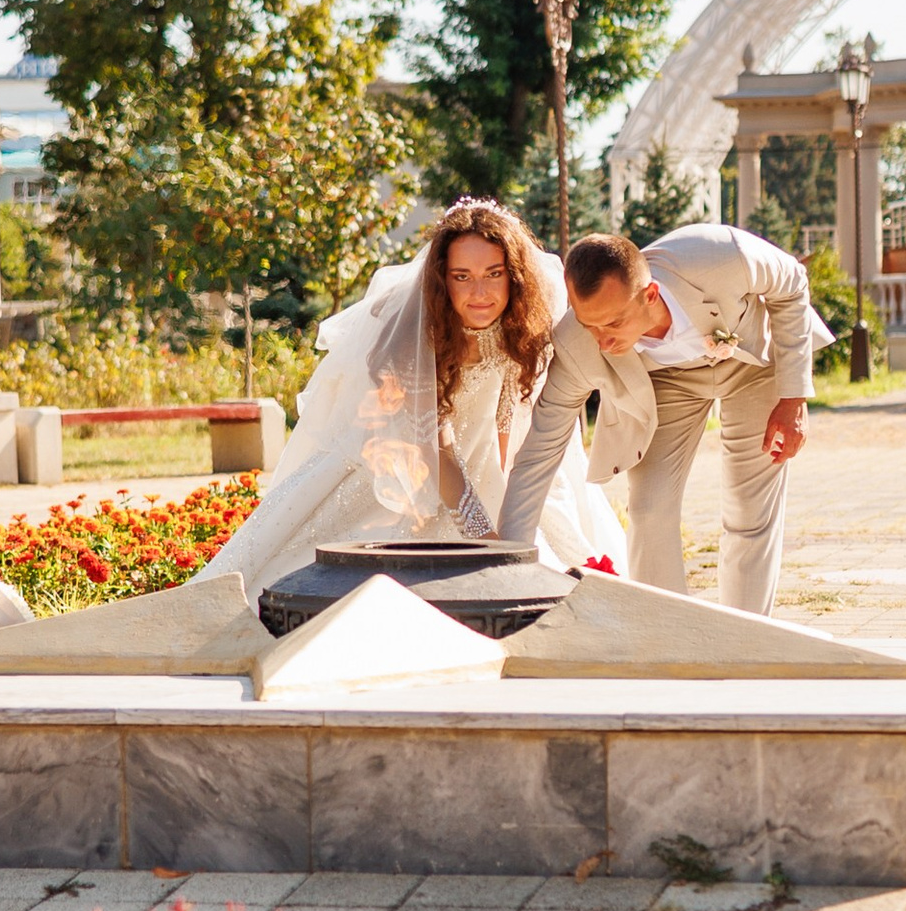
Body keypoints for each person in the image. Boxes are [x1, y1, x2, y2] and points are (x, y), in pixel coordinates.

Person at [201, 197, 629, 594]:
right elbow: (433, 453)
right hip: (397, 465)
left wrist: (508, 511)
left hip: (479, 460)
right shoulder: (410, 337)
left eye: (493, 275)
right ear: (442, 281)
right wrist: (483, 536)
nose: (479, 293)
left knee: (550, 557)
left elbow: (509, 419)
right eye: (462, 277)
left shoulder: (523, 324)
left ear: (512, 275)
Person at [494, 221, 827, 617]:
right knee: (650, 509)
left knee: (749, 511)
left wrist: (793, 398)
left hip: (752, 368)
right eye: (590, 325)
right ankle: (667, 631)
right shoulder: (578, 344)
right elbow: (539, 452)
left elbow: (792, 285)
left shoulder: (722, 255)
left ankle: (747, 635)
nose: (602, 340)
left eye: (614, 323)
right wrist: (508, 562)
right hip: (664, 384)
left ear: (649, 295)